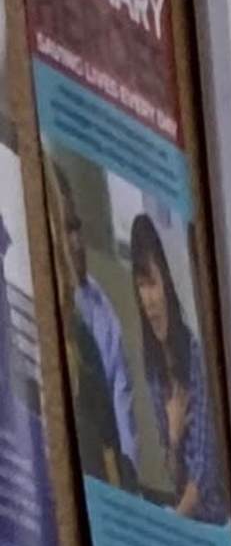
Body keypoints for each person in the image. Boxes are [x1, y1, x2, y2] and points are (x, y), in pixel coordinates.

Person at [47, 169, 140, 488]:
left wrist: (125, 478)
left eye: (78, 229)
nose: (77, 243)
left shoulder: (101, 308)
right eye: (66, 230)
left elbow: (121, 404)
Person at [127, 208, 217, 521]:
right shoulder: (154, 371)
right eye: (140, 286)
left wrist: (171, 523)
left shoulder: (195, 359)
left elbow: (202, 480)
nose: (148, 300)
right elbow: (172, 472)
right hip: (185, 515)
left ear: (167, 282)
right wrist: (175, 438)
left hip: (211, 521)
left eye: (152, 283)